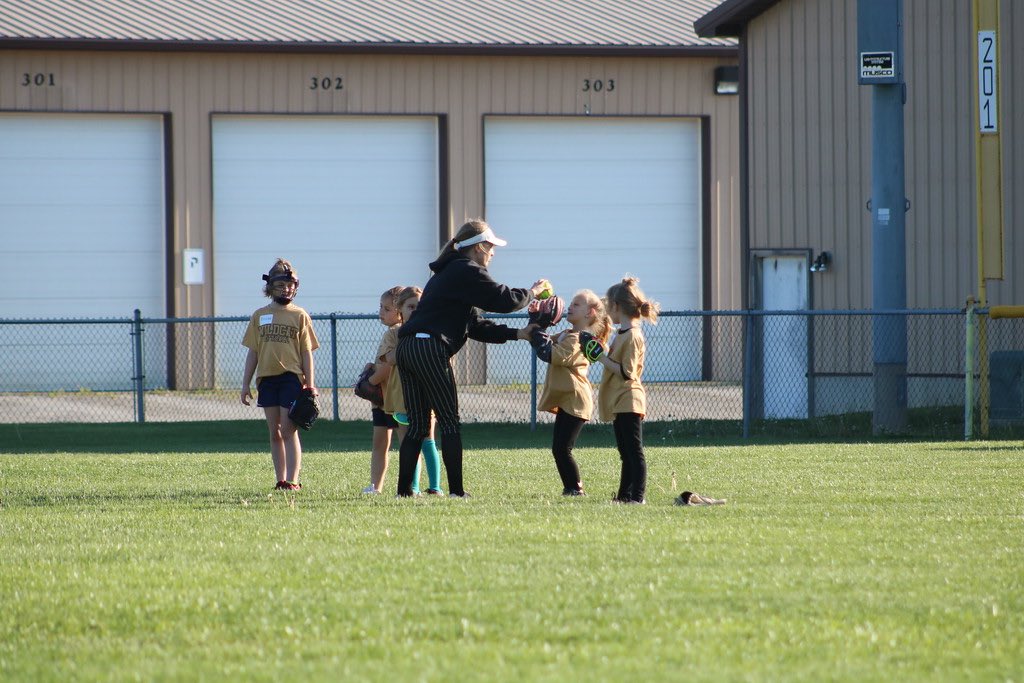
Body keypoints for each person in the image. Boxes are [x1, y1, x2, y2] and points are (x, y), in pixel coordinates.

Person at [394, 219, 548, 498]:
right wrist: (532, 293)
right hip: (429, 349)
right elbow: (504, 300)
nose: (493, 252)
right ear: (477, 248)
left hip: (407, 347)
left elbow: (474, 326)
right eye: (490, 247)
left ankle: (403, 493)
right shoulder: (466, 269)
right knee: (449, 422)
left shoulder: (449, 273)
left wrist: (520, 334)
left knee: (417, 425)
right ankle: (457, 492)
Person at [240, 258, 319, 491]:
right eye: (282, 285)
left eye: (290, 285)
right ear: (270, 286)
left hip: (291, 378)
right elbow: (253, 353)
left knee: (288, 429)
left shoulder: (299, 315)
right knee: (274, 432)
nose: (287, 289)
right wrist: (245, 384)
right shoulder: (259, 315)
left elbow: (307, 353)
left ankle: (293, 480)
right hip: (267, 379)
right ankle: (281, 479)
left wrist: (310, 385)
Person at [529, 289, 613, 496]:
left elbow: (549, 354)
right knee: (559, 449)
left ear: (590, 313)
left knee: (562, 449)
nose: (570, 306)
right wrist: (543, 323)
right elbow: (546, 342)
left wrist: (537, 327)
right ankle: (571, 488)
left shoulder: (579, 340)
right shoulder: (569, 334)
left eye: (577, 304)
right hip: (570, 399)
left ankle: (575, 489)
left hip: (576, 400)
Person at [596, 276, 659, 504]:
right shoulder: (621, 333)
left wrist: (601, 358)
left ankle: (638, 497)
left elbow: (627, 372)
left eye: (608, 305)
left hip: (630, 399)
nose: (606, 309)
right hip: (619, 399)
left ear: (617, 307)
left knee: (634, 452)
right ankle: (624, 496)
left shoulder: (632, 335)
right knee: (625, 453)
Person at [382, 286, 444, 495]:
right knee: (409, 442)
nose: (415, 311)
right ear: (400, 309)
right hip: (401, 396)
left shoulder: (432, 331)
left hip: (426, 394)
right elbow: (389, 359)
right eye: (410, 307)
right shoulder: (394, 334)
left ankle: (435, 487)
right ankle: (412, 487)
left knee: (428, 440)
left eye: (419, 306)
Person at [359, 286, 404, 494]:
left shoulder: (396, 333)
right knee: (381, 443)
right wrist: (371, 367)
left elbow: (388, 367)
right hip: (384, 399)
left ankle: (405, 485)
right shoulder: (390, 332)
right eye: (381, 307)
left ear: (400, 310)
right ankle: (376, 486)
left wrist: (371, 382)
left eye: (387, 309)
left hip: (394, 398)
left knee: (402, 444)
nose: (381, 312)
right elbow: (382, 362)